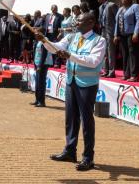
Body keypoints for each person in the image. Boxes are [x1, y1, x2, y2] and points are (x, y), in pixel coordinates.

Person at [35, 13, 106, 171]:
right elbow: (56, 48)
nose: (76, 23)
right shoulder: (72, 37)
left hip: (87, 84)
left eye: (79, 20)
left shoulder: (100, 40)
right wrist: (44, 41)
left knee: (87, 121)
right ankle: (69, 151)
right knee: (71, 118)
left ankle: (88, 157)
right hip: (70, 82)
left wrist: (70, 56)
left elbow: (93, 61)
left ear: (91, 22)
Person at [114, 0, 139, 82]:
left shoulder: (136, 6)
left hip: (132, 34)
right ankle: (126, 74)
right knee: (125, 55)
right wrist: (115, 35)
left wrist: (136, 33)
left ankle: (134, 75)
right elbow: (117, 23)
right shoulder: (120, 9)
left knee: (133, 55)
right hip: (122, 35)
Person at [96, 0, 118, 78]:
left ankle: (112, 72)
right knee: (104, 51)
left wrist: (116, 33)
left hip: (111, 31)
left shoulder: (112, 5)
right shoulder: (101, 7)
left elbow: (117, 20)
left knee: (111, 52)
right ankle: (106, 70)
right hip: (103, 31)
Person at [31, 27, 52, 107]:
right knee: (37, 82)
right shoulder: (38, 40)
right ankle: (37, 100)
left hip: (43, 64)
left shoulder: (44, 40)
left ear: (41, 33)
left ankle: (42, 101)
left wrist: (40, 65)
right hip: (37, 63)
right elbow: (36, 53)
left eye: (37, 32)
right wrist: (35, 64)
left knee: (41, 83)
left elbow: (44, 54)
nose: (35, 34)